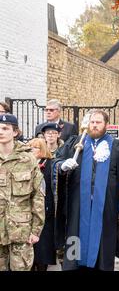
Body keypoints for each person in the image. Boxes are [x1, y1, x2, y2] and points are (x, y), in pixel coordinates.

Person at [53, 109, 119, 270]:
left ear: (106, 125)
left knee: (103, 248)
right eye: (92, 122)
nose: (94, 125)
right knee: (75, 246)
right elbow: (56, 162)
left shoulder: (117, 146)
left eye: (98, 122)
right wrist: (62, 166)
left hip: (105, 209)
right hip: (77, 209)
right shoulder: (76, 143)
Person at [0, 114, 45, 271]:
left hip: (21, 231)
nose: (1, 132)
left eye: (5, 128)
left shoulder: (28, 159)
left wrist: (36, 230)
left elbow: (38, 196)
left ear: (15, 132)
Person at [28, 138, 58, 271]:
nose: (31, 150)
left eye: (35, 147)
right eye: (30, 147)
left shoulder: (50, 164)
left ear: (42, 150)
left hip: (46, 209)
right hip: (28, 209)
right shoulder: (26, 164)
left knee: (43, 247)